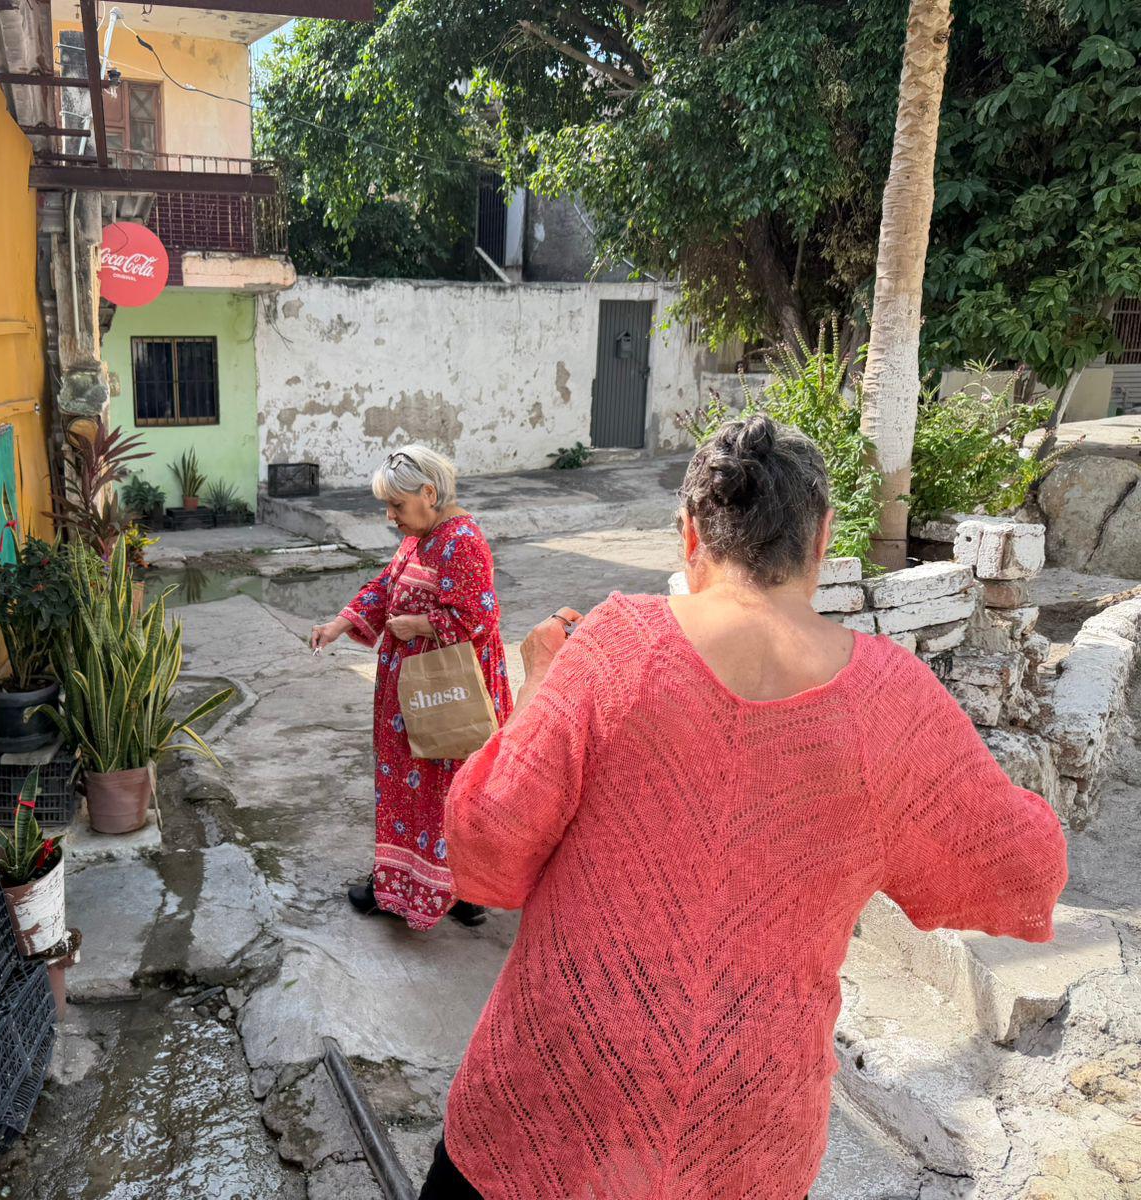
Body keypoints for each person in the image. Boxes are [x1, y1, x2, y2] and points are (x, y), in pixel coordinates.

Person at [422, 415, 1069, 1199]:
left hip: (554, 1096)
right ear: (823, 536)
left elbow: (485, 852)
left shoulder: (611, 646)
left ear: (689, 533)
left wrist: (535, 695)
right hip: (745, 1130)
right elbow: (1024, 871)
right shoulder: (892, 701)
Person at [311, 446, 513, 931]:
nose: (390, 517)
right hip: (420, 690)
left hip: (445, 692)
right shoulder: (425, 535)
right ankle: (440, 890)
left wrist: (418, 625)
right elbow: (388, 585)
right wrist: (342, 622)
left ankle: (427, 891)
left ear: (429, 493)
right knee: (427, 791)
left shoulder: (461, 540)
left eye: (397, 506)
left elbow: (478, 618)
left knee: (442, 789)